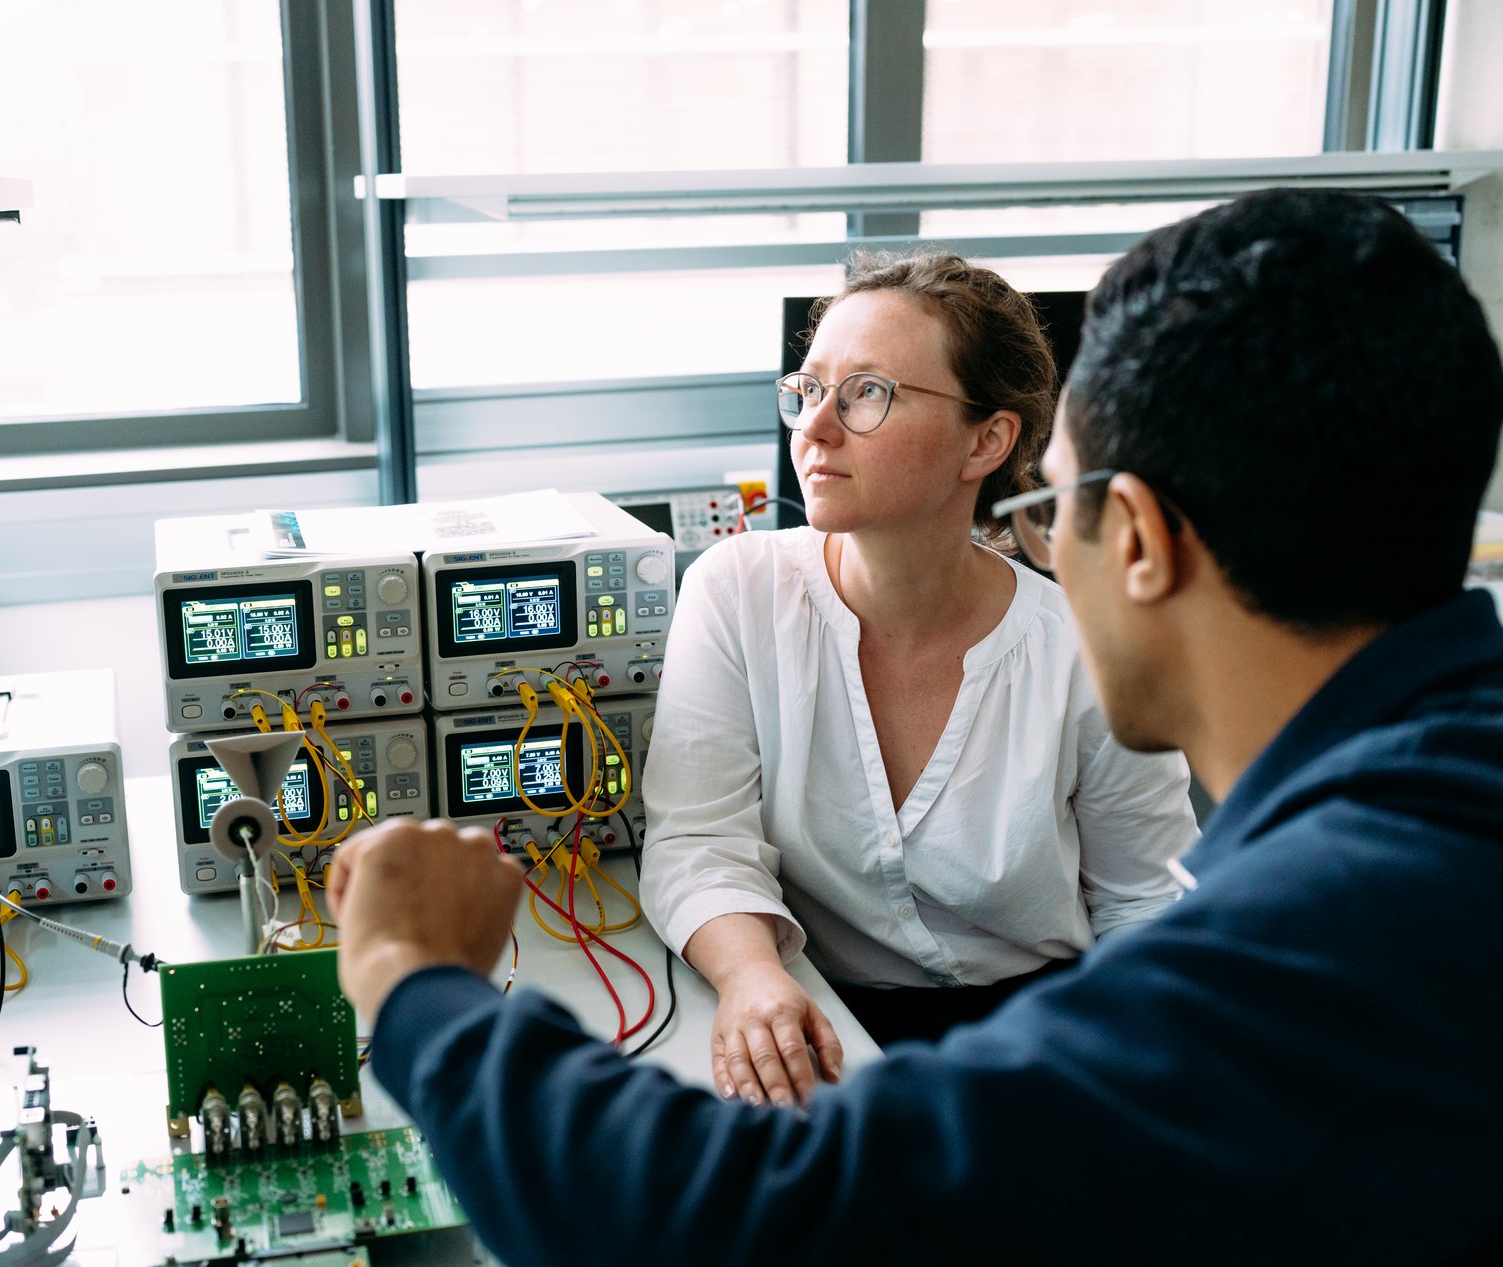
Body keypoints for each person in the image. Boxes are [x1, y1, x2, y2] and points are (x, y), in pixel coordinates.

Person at [329, 188, 1503, 1264]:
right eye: (811, 390)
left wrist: (411, 973)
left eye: (1051, 509)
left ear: (1133, 539)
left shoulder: (1303, 949)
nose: (1040, 554)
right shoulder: (1437, 812)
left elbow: (725, 1219)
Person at [638, 251, 1198, 1094]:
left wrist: (1110, 1074)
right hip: (816, 1013)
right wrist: (752, 976)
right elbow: (699, 838)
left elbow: (1145, 906)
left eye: (868, 392)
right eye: (810, 387)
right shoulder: (738, 589)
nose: (815, 426)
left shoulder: (1082, 646)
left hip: (1043, 1034)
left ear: (988, 439)